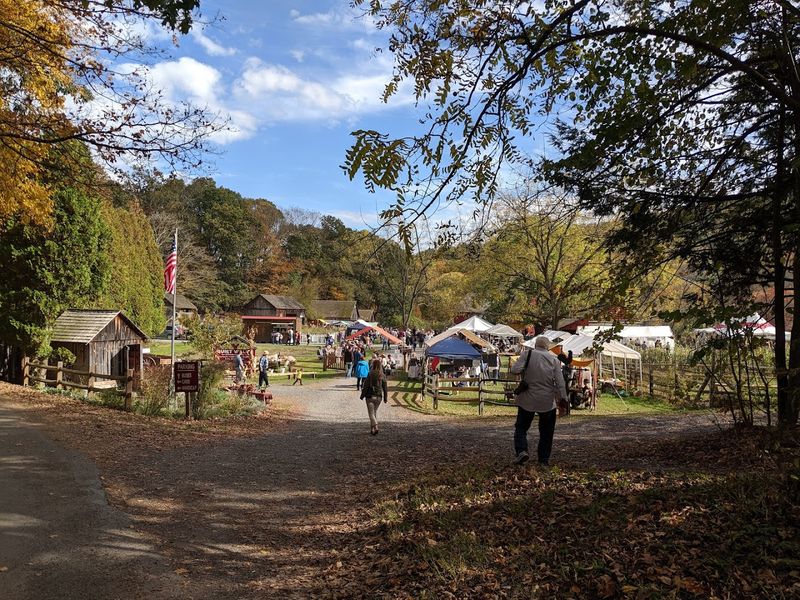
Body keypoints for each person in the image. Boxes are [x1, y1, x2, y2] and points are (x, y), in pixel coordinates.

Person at [510, 336, 567, 466]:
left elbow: (514, 370)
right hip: (547, 401)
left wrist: (526, 369)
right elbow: (560, 383)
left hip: (527, 399)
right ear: (548, 346)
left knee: (521, 428)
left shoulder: (527, 353)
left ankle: (522, 451)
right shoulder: (554, 359)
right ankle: (543, 460)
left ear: (536, 345)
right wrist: (563, 399)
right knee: (547, 432)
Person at [360, 358, 388, 435]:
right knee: (374, 412)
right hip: (379, 396)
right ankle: (372, 430)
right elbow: (385, 388)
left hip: (370, 396)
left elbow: (366, 386)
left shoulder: (370, 373)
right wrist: (385, 398)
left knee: (371, 413)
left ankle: (375, 426)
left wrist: (362, 395)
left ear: (373, 365)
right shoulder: (382, 375)